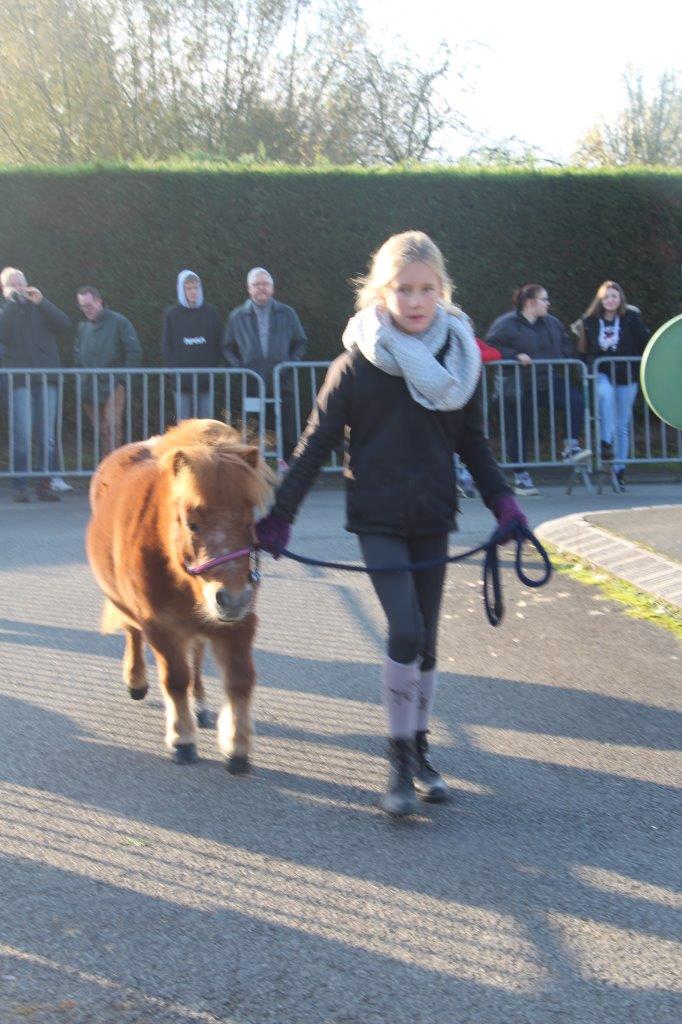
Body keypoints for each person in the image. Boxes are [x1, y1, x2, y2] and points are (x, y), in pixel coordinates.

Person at [255, 231, 527, 817]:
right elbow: (315, 444)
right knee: (405, 628)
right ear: (382, 292)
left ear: (442, 292)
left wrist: (504, 503)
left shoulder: (459, 362)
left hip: (433, 515)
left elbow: (473, 445)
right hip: (377, 518)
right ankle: (398, 757)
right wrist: (279, 517)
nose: (415, 299)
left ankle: (422, 751)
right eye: (403, 289)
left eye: (427, 288)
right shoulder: (355, 366)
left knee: (426, 639)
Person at [486, 283, 591, 496]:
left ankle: (570, 446)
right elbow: (491, 347)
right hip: (520, 385)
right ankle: (521, 476)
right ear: (530, 302)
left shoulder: (552, 323)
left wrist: (561, 357)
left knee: (576, 400)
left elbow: (565, 345)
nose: (548, 303)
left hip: (547, 380)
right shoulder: (506, 324)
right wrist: (514, 356)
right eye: (544, 299)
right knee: (519, 429)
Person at [223, 267, 308, 465]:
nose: (261, 288)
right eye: (257, 284)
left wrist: (291, 363)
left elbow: (301, 341)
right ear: (249, 288)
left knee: (287, 428)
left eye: (265, 284)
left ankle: (288, 467)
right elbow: (227, 347)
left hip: (282, 381)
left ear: (272, 287)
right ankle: (254, 470)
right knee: (252, 429)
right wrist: (240, 368)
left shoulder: (287, 313)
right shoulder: (237, 316)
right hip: (252, 383)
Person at [0, 267, 70, 502]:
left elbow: (64, 325)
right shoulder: (5, 310)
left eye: (21, 282)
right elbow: (3, 334)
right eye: (12, 283)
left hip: (46, 379)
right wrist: (10, 303)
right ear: (4, 288)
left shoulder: (40, 307)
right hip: (20, 380)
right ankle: (20, 485)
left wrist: (43, 302)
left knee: (47, 436)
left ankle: (45, 483)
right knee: (22, 434)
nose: (18, 287)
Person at [574, 280, 649, 492]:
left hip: (627, 376)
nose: (610, 300)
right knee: (605, 395)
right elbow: (582, 352)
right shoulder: (590, 321)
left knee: (622, 424)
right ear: (600, 299)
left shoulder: (631, 318)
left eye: (614, 296)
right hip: (602, 372)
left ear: (620, 299)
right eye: (606, 297)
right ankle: (606, 443)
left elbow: (645, 342)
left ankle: (619, 470)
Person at [75, 285, 142, 456]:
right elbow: (77, 355)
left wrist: (123, 380)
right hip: (89, 387)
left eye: (89, 305)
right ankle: (108, 469)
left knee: (112, 427)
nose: (86, 310)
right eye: (82, 306)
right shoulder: (83, 328)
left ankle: (114, 470)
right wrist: (81, 379)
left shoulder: (119, 322)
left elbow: (133, 351)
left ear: (99, 302)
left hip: (114, 384)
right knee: (102, 431)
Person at [162, 270, 223, 421]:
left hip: (206, 380)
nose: (193, 292)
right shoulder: (172, 315)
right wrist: (175, 370)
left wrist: (211, 366)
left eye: (196, 288)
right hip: (181, 381)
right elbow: (166, 345)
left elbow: (218, 343)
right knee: (184, 425)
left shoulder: (211, 313)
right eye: (189, 288)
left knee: (206, 424)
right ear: (181, 290)